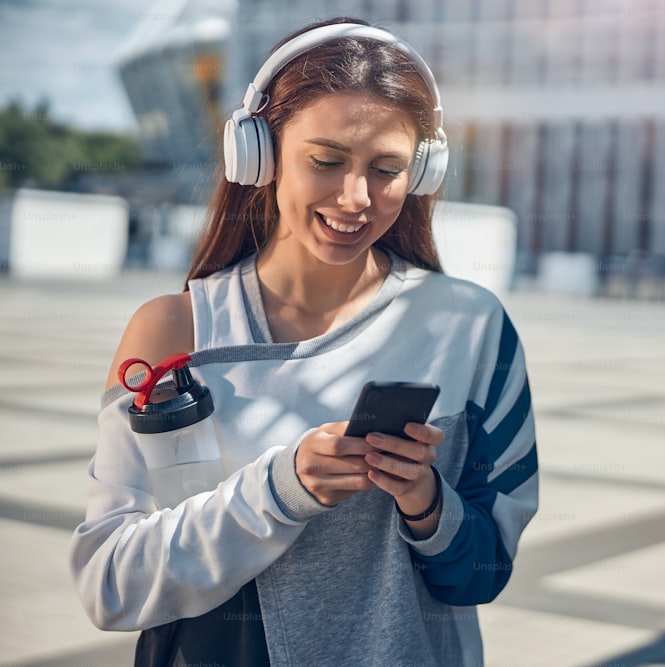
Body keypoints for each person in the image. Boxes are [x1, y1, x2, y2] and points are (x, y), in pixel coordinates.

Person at [69, 17, 538, 666]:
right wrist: (279, 489)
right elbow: (112, 584)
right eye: (326, 160)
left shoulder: (473, 328)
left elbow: (487, 570)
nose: (356, 197)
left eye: (386, 168)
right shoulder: (173, 334)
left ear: (422, 172)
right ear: (257, 153)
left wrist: (428, 503)